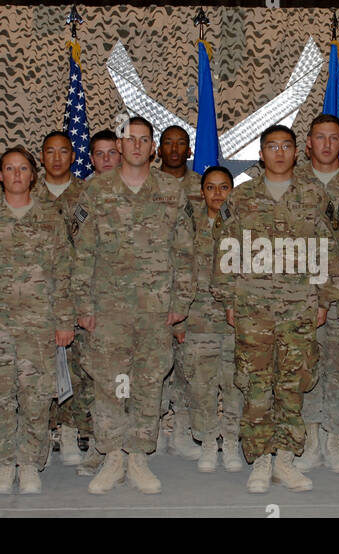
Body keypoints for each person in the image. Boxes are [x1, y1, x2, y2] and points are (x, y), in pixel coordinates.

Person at [71, 117, 194, 495]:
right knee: (111, 383)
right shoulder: (97, 191)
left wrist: (181, 300)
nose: (137, 146)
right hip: (108, 308)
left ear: (152, 148)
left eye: (144, 140)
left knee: (147, 380)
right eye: (130, 139)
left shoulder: (172, 191)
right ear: (119, 146)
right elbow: (82, 252)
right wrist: (83, 304)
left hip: (156, 308)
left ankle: (138, 455)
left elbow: (186, 250)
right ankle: (112, 456)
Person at [212, 125, 337, 493]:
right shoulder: (242, 197)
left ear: (296, 152)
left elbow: (329, 249)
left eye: (286, 146)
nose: (279, 152)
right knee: (256, 385)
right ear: (261, 153)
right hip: (254, 307)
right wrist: (229, 298)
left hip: (300, 307)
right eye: (271, 146)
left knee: (292, 384)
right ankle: (261, 458)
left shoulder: (314, 195)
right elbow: (225, 249)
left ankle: (285, 457)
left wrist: (325, 298)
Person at [0, 146, 75, 495]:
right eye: (10, 169)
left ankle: (30, 463)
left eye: (23, 169)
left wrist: (65, 320)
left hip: (39, 326)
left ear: (33, 176)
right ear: (0, 175)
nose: (17, 175)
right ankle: (3, 465)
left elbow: (63, 274)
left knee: (37, 398)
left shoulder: (52, 219)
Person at [293, 113, 339, 474]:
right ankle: (310, 438)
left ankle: (335, 439)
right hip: (303, 293)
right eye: (319, 138)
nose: (326, 144)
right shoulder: (291, 181)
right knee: (306, 365)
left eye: (333, 138)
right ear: (308, 143)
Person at [33, 131, 96, 469]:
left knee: (75, 366)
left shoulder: (88, 195)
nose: (56, 158)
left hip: (77, 293)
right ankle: (41, 429)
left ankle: (71, 428)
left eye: (63, 152)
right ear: (41, 157)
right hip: (35, 298)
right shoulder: (27, 195)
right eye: (49, 152)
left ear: (74, 157)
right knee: (38, 367)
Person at [180, 166, 244, 473]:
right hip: (198, 321)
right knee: (201, 384)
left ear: (233, 190)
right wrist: (179, 320)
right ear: (201, 192)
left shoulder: (245, 227)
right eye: (210, 188)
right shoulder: (189, 228)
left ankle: (231, 440)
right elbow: (179, 273)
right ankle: (207, 441)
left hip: (235, 323)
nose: (217, 194)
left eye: (223, 187)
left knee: (234, 384)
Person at [156, 124, 203, 461]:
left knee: (187, 365)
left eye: (181, 143)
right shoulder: (146, 184)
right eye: (167, 142)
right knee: (153, 364)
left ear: (189, 150)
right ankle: (153, 426)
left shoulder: (203, 187)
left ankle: (184, 426)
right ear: (158, 149)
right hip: (150, 288)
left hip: (190, 288)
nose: (174, 148)